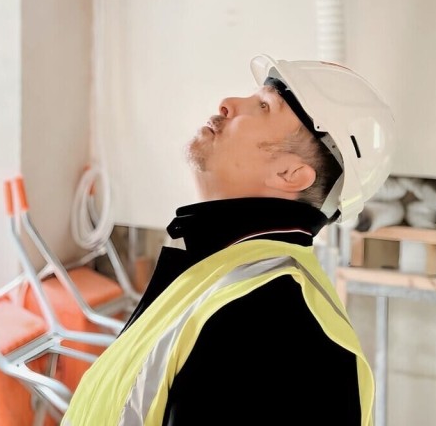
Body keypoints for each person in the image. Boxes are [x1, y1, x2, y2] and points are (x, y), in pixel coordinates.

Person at [62, 54, 396, 426]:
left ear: (290, 174)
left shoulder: (276, 324)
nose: (228, 103)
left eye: (265, 106)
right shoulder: (217, 276)